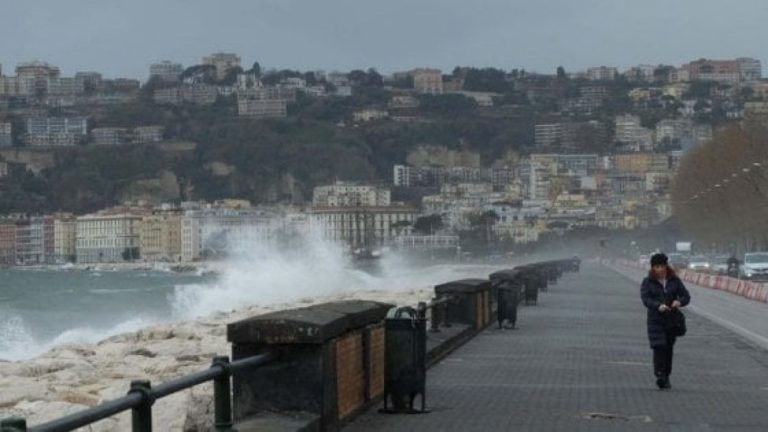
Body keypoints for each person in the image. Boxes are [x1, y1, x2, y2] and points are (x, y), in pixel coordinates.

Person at [640, 253, 691, 389]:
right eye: (657, 266)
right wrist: (658, 306)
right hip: (655, 320)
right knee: (658, 347)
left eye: (662, 266)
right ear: (652, 268)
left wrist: (678, 302)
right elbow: (646, 299)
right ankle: (660, 375)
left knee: (668, 348)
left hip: (671, 320)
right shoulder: (647, 282)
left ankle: (666, 375)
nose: (660, 269)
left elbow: (686, 296)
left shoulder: (674, 280)